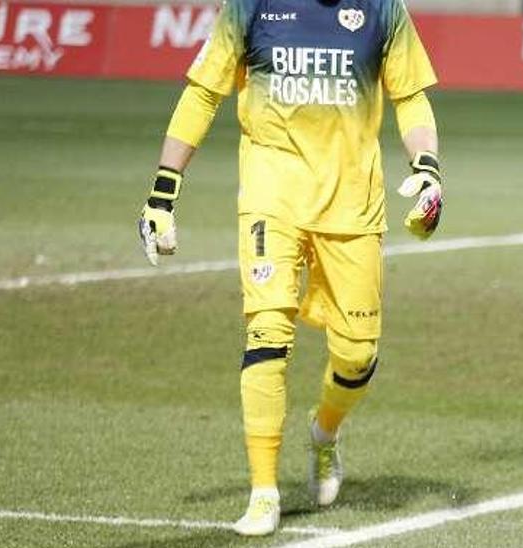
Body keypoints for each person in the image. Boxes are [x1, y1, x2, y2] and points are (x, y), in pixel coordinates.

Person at [135, 0, 442, 536]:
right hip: (270, 197)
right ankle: (263, 492)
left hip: (353, 207)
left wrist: (428, 169)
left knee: (357, 353)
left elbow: (411, 97)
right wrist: (164, 189)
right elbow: (203, 92)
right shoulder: (251, 6)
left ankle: (324, 434)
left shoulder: (383, 9)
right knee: (267, 332)